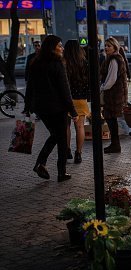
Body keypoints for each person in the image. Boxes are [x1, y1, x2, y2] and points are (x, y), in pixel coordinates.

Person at [24, 35, 79, 182]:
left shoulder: (35, 63)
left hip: (41, 108)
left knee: (56, 135)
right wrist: (73, 111)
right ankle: (61, 173)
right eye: (59, 46)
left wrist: (27, 106)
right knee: (60, 139)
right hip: (57, 108)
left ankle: (41, 163)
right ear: (52, 47)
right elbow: (64, 90)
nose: (62, 48)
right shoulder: (57, 63)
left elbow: (30, 87)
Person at [64, 40, 90, 164]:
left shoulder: (63, 62)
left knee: (66, 127)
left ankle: (67, 150)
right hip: (80, 98)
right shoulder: (84, 63)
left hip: (66, 99)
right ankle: (78, 153)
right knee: (80, 127)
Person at [100, 37, 128, 153]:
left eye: (109, 46)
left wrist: (102, 88)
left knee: (111, 118)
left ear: (115, 47)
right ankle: (115, 144)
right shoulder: (113, 59)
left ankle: (115, 145)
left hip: (113, 95)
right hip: (115, 94)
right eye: (105, 46)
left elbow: (111, 79)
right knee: (111, 119)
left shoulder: (114, 60)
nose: (106, 48)